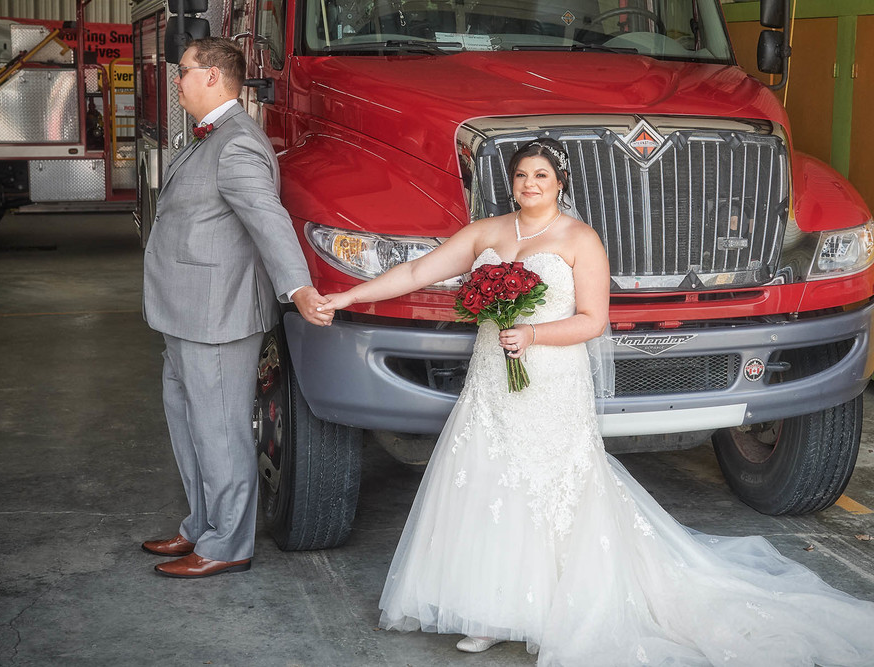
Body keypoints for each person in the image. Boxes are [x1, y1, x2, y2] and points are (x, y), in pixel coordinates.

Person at [318, 139, 874, 665]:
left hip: (551, 381)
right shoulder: (486, 232)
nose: (530, 184)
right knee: (487, 479)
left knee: (550, 485)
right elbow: (416, 271)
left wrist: (532, 334)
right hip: (491, 382)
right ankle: (491, 610)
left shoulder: (579, 239)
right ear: (511, 183)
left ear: (559, 183)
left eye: (541, 175)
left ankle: (552, 606)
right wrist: (346, 296)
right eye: (521, 175)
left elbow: (592, 321)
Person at [141, 37, 332, 579]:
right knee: (189, 425)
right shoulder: (209, 135)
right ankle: (202, 525)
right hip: (185, 311)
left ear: (212, 77)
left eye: (183, 71)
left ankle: (227, 545)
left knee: (220, 434)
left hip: (217, 315)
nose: (176, 80)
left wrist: (298, 288)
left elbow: (268, 220)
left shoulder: (237, 143)